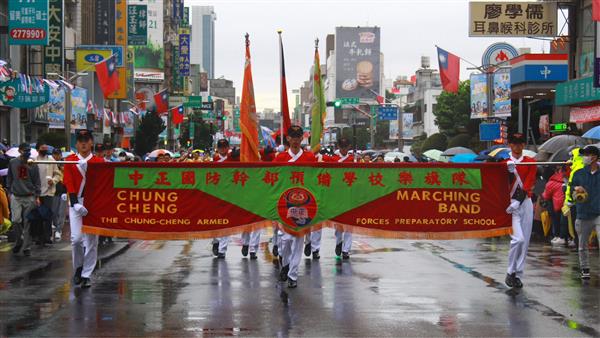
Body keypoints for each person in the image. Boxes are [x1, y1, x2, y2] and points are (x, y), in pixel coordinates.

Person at [275, 125, 317, 288]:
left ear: (302, 138)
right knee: (285, 241)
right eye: (292, 136)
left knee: (298, 241)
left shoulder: (309, 158)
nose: (295, 140)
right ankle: (285, 264)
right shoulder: (280, 158)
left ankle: (292, 275)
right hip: (284, 205)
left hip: (304, 205)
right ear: (288, 139)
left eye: (298, 136)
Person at [63, 130, 104, 288]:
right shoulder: (70, 161)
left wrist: (89, 168)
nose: (83, 143)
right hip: (76, 203)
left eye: (86, 140)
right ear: (76, 143)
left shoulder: (99, 162)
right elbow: (68, 181)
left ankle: (86, 274)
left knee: (92, 242)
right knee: (76, 240)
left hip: (93, 204)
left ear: (92, 142)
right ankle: (78, 267)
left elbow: (102, 183)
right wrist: (74, 203)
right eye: (80, 140)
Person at [504, 133, 537, 288]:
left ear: (524, 145)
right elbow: (500, 183)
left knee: (526, 241)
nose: (517, 146)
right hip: (510, 205)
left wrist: (519, 200)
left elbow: (529, 182)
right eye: (514, 143)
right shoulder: (504, 162)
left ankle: (517, 274)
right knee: (518, 239)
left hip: (525, 203)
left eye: (520, 143)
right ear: (510, 145)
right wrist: (508, 172)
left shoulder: (530, 162)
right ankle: (510, 272)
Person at [571, 145, 600, 280]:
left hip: (598, 213)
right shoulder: (578, 174)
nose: (584, 157)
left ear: (594, 157)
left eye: (587, 155)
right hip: (583, 213)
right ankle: (585, 268)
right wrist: (576, 191)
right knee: (582, 245)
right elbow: (571, 192)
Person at [6, 143, 41, 256]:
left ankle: (26, 247)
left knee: (28, 223)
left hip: (29, 196)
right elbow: (9, 177)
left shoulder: (33, 164)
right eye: (25, 150)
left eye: (28, 150)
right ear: (20, 151)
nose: (27, 152)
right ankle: (19, 240)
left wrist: (37, 196)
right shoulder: (13, 162)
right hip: (16, 195)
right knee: (15, 220)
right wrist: (9, 192)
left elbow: (37, 181)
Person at [325, 138, 354, 259]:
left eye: (346, 146)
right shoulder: (332, 159)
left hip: (349, 194)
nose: (344, 149)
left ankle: (346, 250)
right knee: (338, 224)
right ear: (338, 146)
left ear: (349, 146)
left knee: (349, 224)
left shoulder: (353, 159)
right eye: (342, 146)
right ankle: (338, 242)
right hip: (336, 194)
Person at [211, 139, 237, 259]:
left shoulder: (232, 157)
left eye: (224, 147)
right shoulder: (215, 160)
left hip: (230, 194)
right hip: (216, 194)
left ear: (228, 147)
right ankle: (216, 241)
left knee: (227, 222)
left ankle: (222, 250)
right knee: (216, 222)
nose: (223, 149)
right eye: (220, 147)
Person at [35, 142, 61, 244]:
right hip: (37, 192)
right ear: (38, 149)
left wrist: (53, 181)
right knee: (37, 216)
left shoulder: (51, 160)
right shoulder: (33, 161)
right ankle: (38, 237)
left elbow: (58, 174)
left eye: (46, 148)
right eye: (42, 148)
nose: (44, 150)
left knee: (48, 215)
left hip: (48, 192)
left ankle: (47, 236)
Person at [542, 166, 568, 246]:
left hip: (557, 205)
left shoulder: (551, 182)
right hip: (568, 204)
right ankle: (569, 238)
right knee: (568, 222)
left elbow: (546, 196)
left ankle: (558, 236)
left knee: (557, 221)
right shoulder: (567, 180)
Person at [51, 149, 67, 242]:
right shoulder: (51, 164)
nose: (56, 156)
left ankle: (58, 230)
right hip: (54, 191)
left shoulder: (65, 163)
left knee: (61, 212)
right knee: (54, 212)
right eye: (55, 154)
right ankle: (56, 226)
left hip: (64, 191)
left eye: (58, 154)